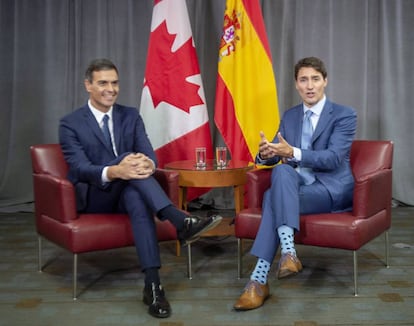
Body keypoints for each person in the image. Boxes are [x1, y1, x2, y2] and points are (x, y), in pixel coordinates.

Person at [59, 58, 222, 318]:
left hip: (127, 193)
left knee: (136, 195)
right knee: (126, 160)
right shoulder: (70, 123)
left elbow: (150, 158)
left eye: (114, 83)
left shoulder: (131, 115)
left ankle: (153, 285)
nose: (110, 89)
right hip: (96, 196)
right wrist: (116, 170)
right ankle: (179, 219)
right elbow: (79, 169)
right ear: (88, 85)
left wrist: (142, 163)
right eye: (103, 83)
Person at [233, 56, 357, 311]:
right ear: (296, 85)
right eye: (303, 80)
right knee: (281, 173)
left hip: (329, 188)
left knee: (271, 199)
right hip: (296, 185)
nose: (309, 85)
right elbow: (282, 153)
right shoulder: (290, 116)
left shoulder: (344, 115)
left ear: (325, 82)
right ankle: (288, 255)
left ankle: (258, 280)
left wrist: (292, 153)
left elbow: (333, 158)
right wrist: (266, 154)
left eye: (315, 79)